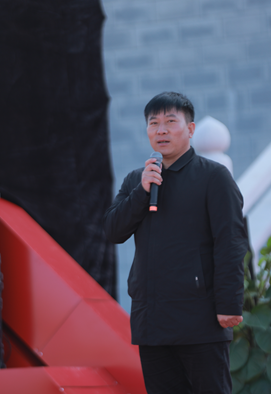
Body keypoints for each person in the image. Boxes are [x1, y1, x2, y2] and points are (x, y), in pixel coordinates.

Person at [104, 92, 247, 394]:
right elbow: (113, 231)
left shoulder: (214, 178)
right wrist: (142, 192)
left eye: (170, 122)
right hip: (151, 321)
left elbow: (231, 243)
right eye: (153, 123)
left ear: (190, 129)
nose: (161, 130)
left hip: (200, 320)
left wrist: (229, 304)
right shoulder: (137, 180)